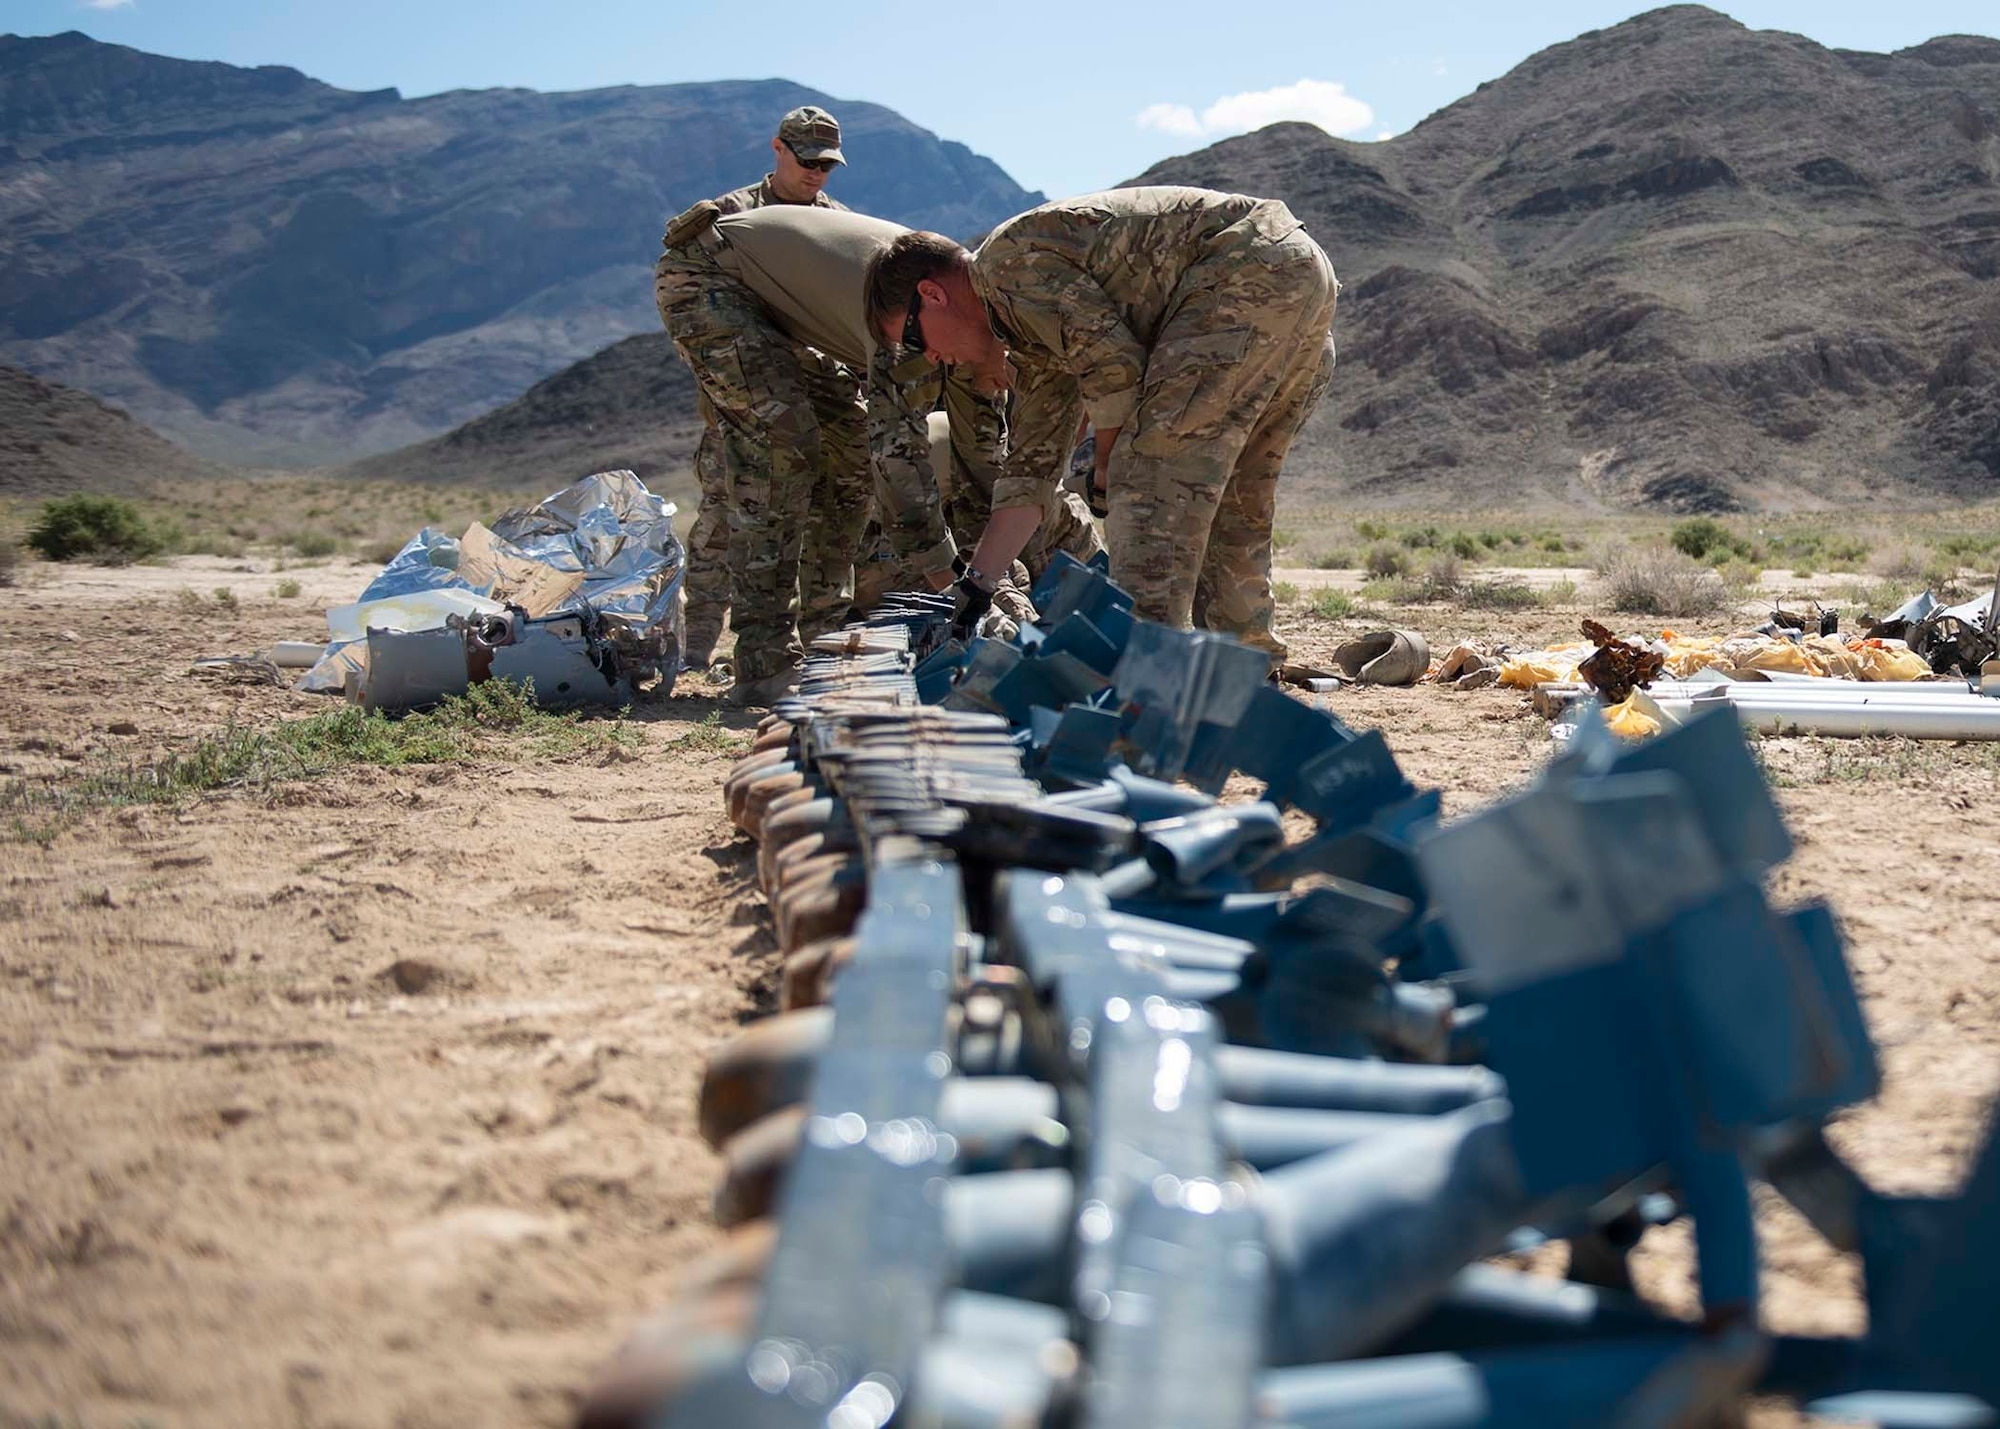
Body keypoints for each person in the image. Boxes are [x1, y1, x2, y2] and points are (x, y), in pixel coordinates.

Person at [864, 186, 1338, 662]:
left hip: (1243, 272)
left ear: (932, 294)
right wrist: (976, 587)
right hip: (1291, 274)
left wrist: (1109, 464)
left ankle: (1152, 679)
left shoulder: (1004, 269)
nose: (928, 356)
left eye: (911, 336)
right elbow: (1031, 474)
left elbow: (1114, 366)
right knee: (1238, 494)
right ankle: (1247, 672)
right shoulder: (1032, 336)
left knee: (1148, 479)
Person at [655, 203, 989, 705]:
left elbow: (985, 459)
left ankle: (826, 639)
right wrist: (954, 587)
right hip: (708, 275)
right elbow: (900, 464)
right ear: (932, 298)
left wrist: (992, 579)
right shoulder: (910, 326)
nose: (932, 356)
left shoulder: (976, 318)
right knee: (779, 446)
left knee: (848, 450)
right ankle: (763, 662)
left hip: (780, 309)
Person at [680, 105, 851, 671]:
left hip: (815, 402)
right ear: (777, 148)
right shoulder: (729, 220)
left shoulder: (839, 226)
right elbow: (698, 314)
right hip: (739, 405)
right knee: (723, 516)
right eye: (807, 162)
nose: (817, 175)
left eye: (827, 165)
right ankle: (698, 639)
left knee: (811, 515)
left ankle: (814, 639)